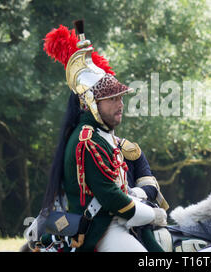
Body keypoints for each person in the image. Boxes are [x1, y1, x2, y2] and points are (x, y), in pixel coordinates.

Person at [32, 20, 168, 252]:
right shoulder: (88, 142)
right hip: (102, 227)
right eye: (112, 99)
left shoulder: (99, 135)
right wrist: (151, 214)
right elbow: (113, 199)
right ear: (89, 103)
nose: (120, 104)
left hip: (117, 221)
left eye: (120, 98)